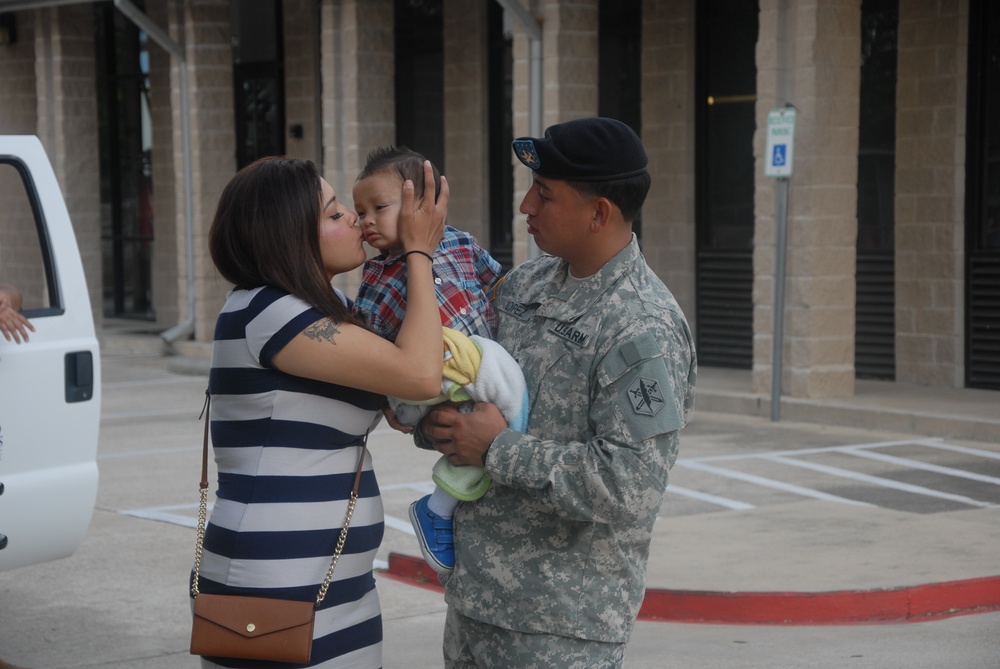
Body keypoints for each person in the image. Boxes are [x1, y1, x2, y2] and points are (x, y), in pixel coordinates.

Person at [420, 117, 697, 668]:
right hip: (476, 605)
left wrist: (498, 450)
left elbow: (629, 485)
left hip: (560, 629)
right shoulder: (523, 286)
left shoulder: (641, 327)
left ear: (599, 213)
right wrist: (435, 420)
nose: (525, 206)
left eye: (544, 195)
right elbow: (469, 388)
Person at [198, 155, 448, 668]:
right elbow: (421, 374)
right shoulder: (270, 312)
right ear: (288, 237)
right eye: (335, 214)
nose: (355, 220)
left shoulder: (317, 309)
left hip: (329, 578)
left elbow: (407, 389)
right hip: (277, 581)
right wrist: (419, 252)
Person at [352, 146, 527, 575]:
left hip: (469, 370)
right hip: (443, 372)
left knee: (484, 433)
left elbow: (500, 283)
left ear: (421, 205)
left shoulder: (460, 242)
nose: (366, 220)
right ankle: (439, 509)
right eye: (359, 211)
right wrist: (385, 401)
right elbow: (370, 342)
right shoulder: (375, 276)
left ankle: (440, 509)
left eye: (379, 207)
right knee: (517, 410)